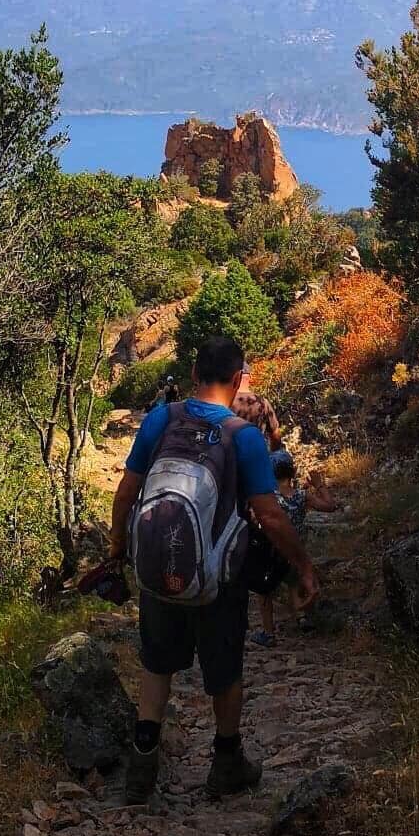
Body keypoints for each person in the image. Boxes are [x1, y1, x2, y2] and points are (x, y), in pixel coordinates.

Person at [109, 334, 319, 806]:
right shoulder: (242, 437)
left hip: (158, 565)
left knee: (157, 662)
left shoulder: (161, 418)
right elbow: (269, 513)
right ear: (239, 378)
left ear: (193, 375)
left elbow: (127, 492)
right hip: (219, 576)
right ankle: (226, 763)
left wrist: (119, 545)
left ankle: (142, 763)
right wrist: (303, 566)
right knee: (224, 670)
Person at [250, 447, 339, 647]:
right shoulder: (301, 496)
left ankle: (268, 632)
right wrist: (319, 485)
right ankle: (303, 618)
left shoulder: (268, 499)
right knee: (294, 583)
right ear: (292, 472)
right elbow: (330, 506)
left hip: (272, 552)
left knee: (264, 592)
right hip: (297, 551)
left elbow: (256, 519)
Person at [231, 368, 284, 450]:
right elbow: (275, 433)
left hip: (231, 457)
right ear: (250, 377)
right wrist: (273, 453)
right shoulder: (262, 402)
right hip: (256, 454)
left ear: (235, 377)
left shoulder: (226, 401)